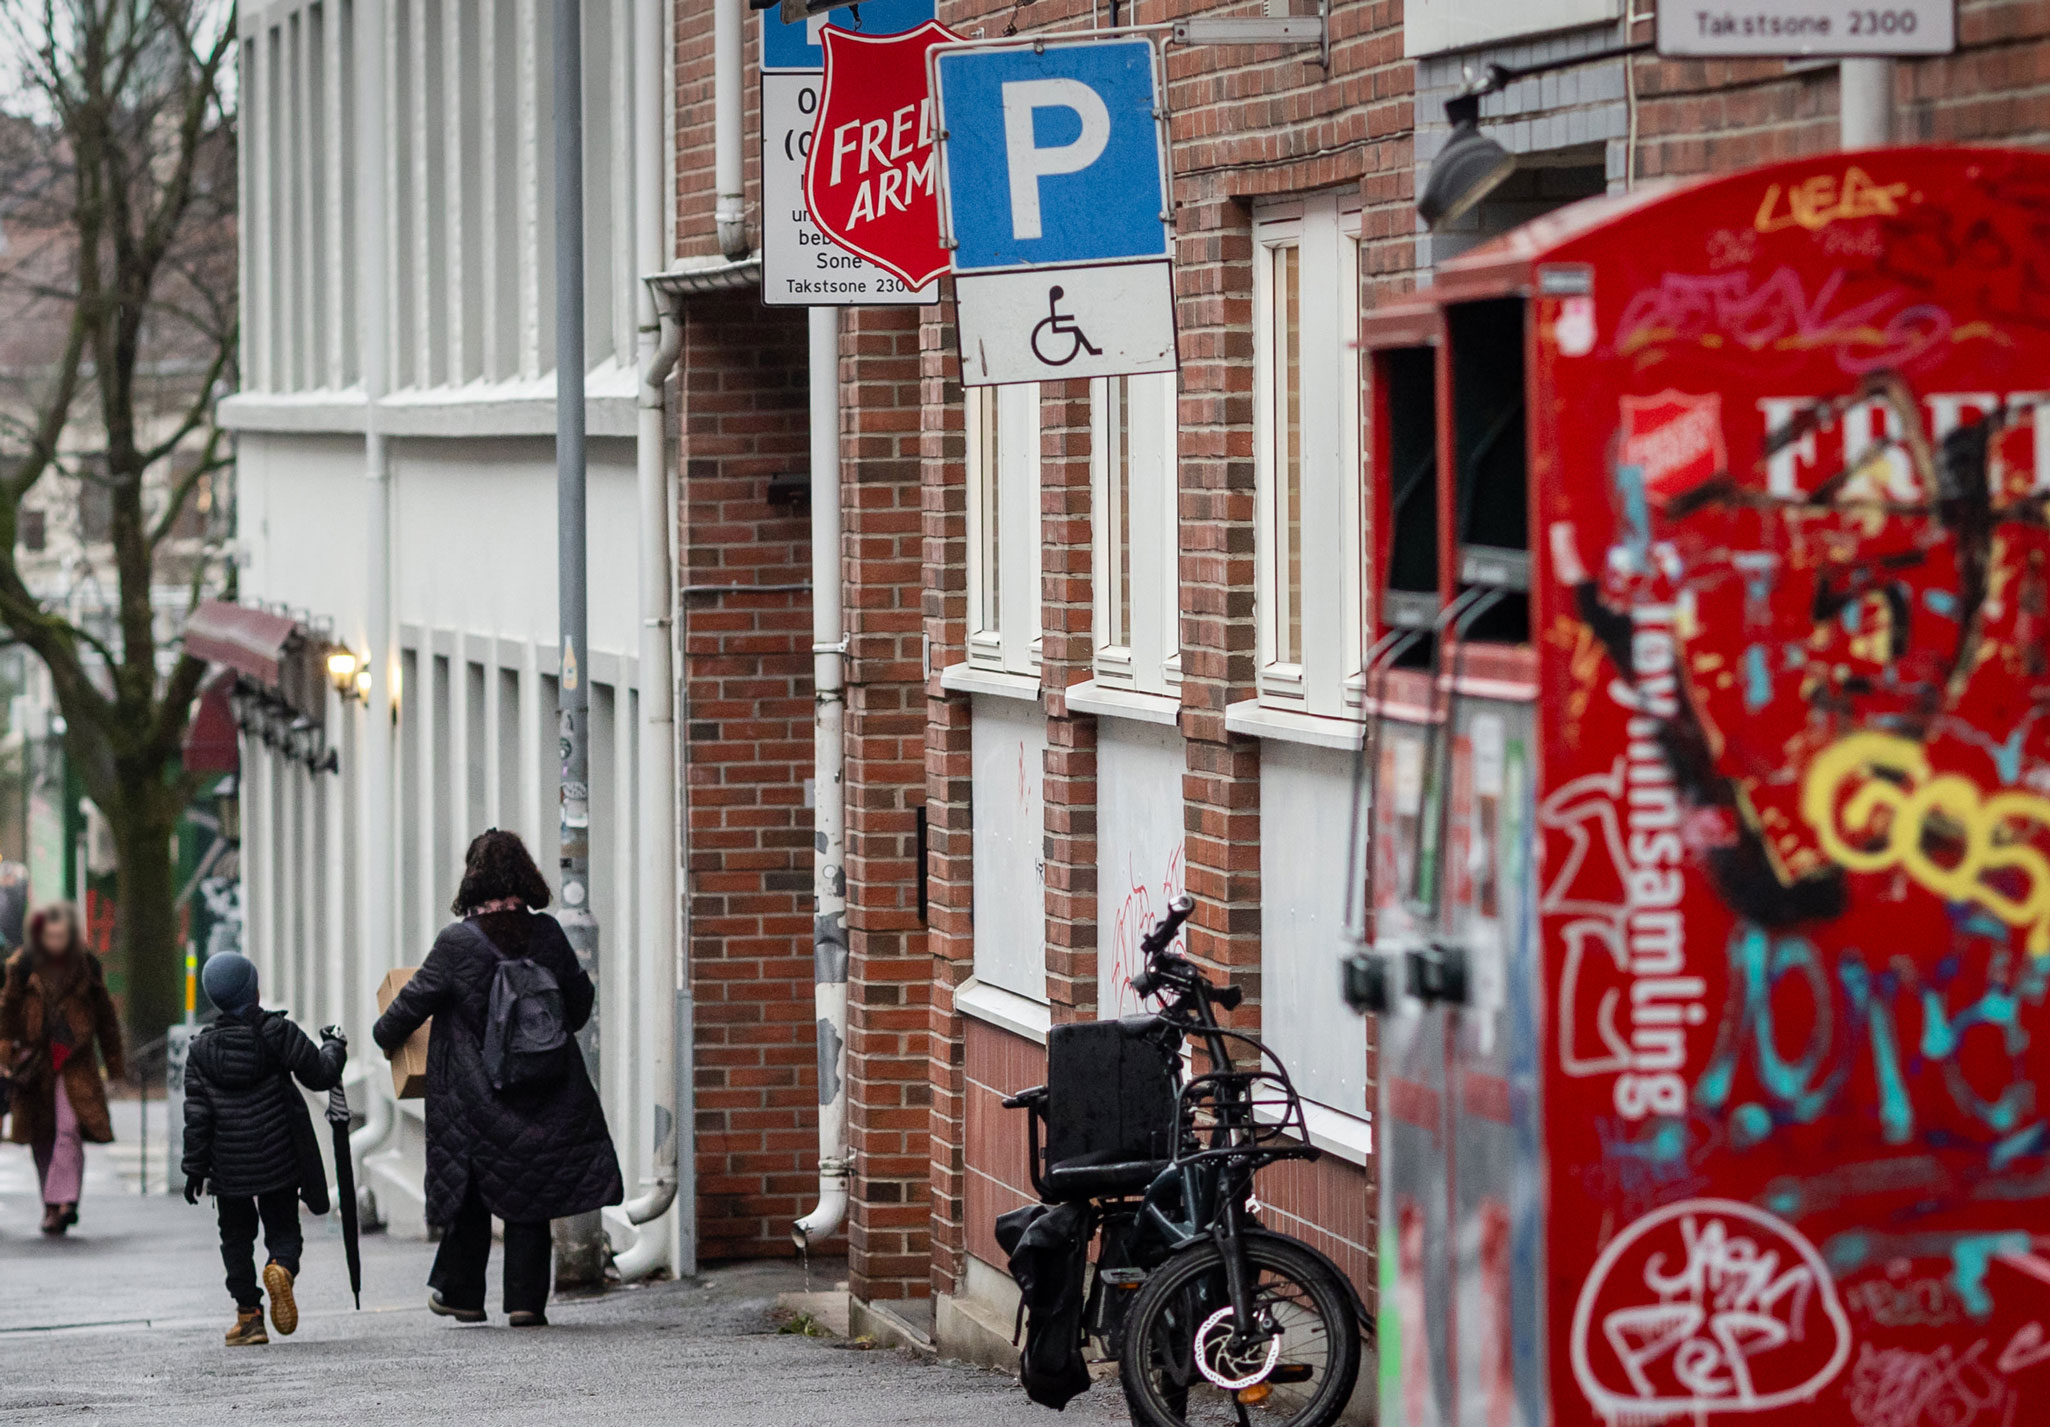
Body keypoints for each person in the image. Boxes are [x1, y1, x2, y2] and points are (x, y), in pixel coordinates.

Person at [374, 829, 622, 1328]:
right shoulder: (548, 934)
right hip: (548, 1087)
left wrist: (385, 1037)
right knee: (530, 1192)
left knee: (471, 1190)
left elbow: (406, 1009)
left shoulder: (456, 943)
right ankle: (526, 1303)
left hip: (476, 1095)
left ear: (473, 880)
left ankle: (462, 1295)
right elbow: (578, 1005)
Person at [181, 952, 347, 1347]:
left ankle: (249, 1317)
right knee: (284, 1228)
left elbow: (197, 1116)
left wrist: (194, 1169)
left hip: (228, 1167)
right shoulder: (277, 1032)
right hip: (279, 1158)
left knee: (235, 1239)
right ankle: (281, 1268)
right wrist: (334, 1045)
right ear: (252, 991)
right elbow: (321, 1074)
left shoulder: (201, 1052)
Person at [0, 904, 125, 1236]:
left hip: (75, 1060)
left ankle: (66, 1201)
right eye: (49, 936)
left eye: (61, 935)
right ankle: (51, 1206)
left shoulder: (85, 966)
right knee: (42, 1135)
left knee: (69, 1129)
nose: (55, 942)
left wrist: (114, 1065)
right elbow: (7, 1008)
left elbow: (106, 1017)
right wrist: (5, 1048)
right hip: (33, 1060)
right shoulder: (22, 965)